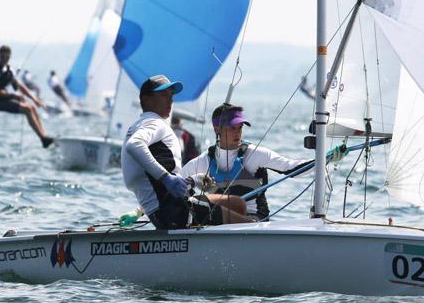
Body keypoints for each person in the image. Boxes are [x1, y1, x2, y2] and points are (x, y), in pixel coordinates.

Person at [121, 75, 254, 230]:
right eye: (164, 95)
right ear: (146, 100)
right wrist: (166, 178)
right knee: (249, 227)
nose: (170, 101)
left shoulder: (141, 125)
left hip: (169, 207)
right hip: (174, 212)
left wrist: (193, 180)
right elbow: (134, 145)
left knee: (237, 204)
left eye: (171, 96)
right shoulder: (153, 123)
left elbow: (155, 181)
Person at [182, 103, 315, 220]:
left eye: (240, 127)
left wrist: (324, 159)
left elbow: (292, 169)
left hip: (254, 221)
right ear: (217, 129)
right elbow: (177, 186)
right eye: (232, 128)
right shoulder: (202, 162)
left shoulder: (255, 154)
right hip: (219, 220)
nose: (238, 133)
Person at [0, 45, 53, 148]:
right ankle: (43, 139)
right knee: (28, 109)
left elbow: (21, 87)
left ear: (9, 57)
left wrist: (35, 99)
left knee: (32, 107)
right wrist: (14, 96)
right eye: (2, 57)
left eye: (7, 57)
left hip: (5, 98)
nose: (4, 59)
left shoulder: (9, 70)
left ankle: (45, 135)